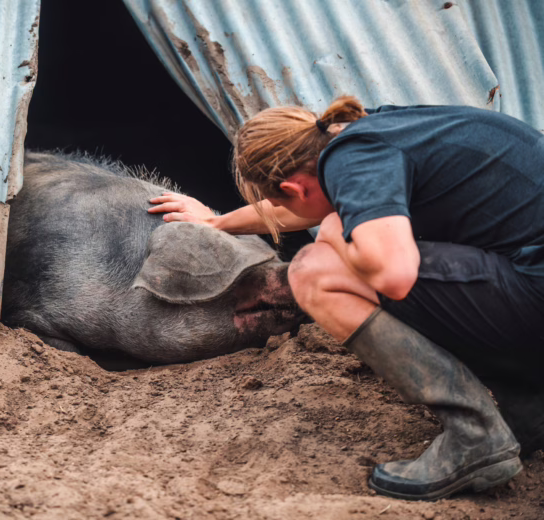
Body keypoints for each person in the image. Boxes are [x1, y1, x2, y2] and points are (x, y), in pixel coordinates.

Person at [148, 97, 544, 501]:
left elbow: (394, 275)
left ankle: (474, 435)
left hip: (534, 289)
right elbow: (305, 207)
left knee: (314, 272)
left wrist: (335, 234)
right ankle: (527, 402)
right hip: (528, 273)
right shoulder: (360, 132)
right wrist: (216, 221)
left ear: (293, 187)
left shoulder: (356, 160)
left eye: (280, 198)